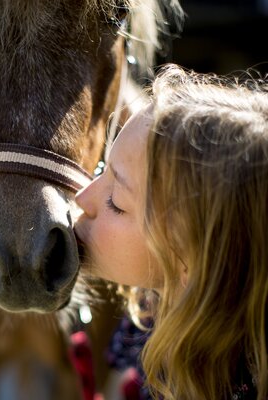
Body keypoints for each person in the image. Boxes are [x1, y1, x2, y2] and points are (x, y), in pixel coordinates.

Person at [74, 64, 268, 400]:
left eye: (116, 201)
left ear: (190, 263)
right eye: (104, 169)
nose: (82, 197)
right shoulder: (153, 317)